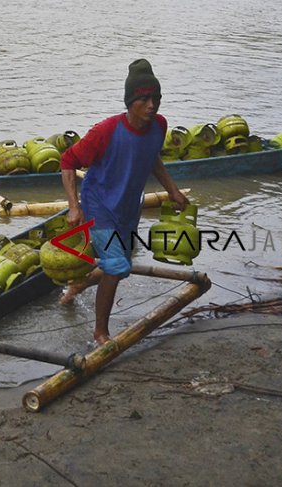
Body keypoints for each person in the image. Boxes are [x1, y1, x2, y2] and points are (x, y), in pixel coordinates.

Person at [59, 58, 190, 346]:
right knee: (117, 266)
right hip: (99, 205)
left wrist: (172, 190)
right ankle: (100, 333)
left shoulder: (159, 126)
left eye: (155, 98)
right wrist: (74, 206)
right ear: (130, 101)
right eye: (144, 99)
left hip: (129, 207)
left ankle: (79, 284)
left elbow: (152, 157)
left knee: (119, 265)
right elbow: (68, 160)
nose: (151, 105)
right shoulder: (105, 131)